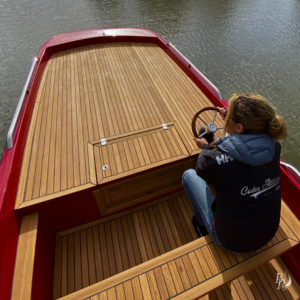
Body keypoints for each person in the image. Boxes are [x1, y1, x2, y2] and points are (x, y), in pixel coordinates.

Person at [182, 93, 287, 253]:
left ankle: (201, 224)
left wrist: (204, 147)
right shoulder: (274, 147)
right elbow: (244, 149)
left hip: (231, 242)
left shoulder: (213, 159)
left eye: (229, 116)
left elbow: (201, 169)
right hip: (268, 234)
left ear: (239, 127)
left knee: (189, 175)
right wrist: (232, 122)